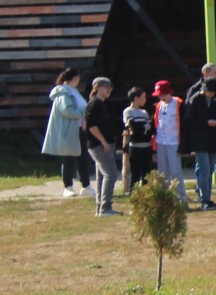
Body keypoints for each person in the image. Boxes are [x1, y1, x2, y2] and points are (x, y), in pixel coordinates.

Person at [42, 68, 90, 196]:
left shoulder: (73, 91)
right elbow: (67, 110)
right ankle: (67, 187)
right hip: (70, 131)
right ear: (75, 78)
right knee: (69, 158)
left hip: (80, 129)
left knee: (83, 157)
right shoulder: (64, 92)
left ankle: (86, 185)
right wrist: (84, 113)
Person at [186, 70, 216, 210]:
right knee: (204, 169)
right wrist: (207, 123)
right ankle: (204, 199)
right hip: (199, 140)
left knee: (210, 170)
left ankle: (208, 198)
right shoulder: (195, 100)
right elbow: (189, 121)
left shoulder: (213, 101)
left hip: (211, 139)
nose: (213, 94)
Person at [83, 76, 122, 216]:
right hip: (99, 146)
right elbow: (91, 125)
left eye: (110, 87)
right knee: (111, 174)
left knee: (102, 176)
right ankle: (106, 208)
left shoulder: (101, 104)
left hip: (103, 144)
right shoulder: (94, 104)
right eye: (106, 87)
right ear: (98, 87)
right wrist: (103, 141)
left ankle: (100, 208)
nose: (109, 90)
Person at [151, 79, 186, 200]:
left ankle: (181, 198)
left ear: (168, 92)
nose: (160, 96)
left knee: (175, 171)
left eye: (161, 94)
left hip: (174, 141)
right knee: (162, 171)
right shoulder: (158, 105)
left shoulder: (179, 104)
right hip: (160, 141)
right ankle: (164, 198)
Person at [122, 85, 155, 194]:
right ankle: (134, 199)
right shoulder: (128, 111)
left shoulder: (144, 113)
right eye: (143, 97)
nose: (145, 99)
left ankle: (146, 198)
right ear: (136, 98)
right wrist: (141, 128)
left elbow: (149, 128)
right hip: (135, 148)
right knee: (135, 175)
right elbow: (132, 127)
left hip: (147, 147)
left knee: (147, 175)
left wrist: (143, 129)